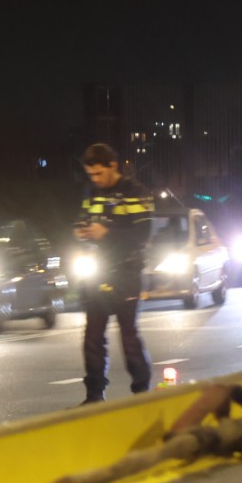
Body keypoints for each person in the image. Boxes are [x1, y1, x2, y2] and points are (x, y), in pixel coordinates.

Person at [74, 143, 153, 403]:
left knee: (129, 336)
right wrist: (82, 231)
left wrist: (107, 234)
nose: (95, 179)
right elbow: (84, 221)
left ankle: (141, 391)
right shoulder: (92, 194)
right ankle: (94, 394)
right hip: (98, 273)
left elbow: (142, 233)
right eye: (91, 175)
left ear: (113, 166)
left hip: (127, 273)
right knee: (93, 337)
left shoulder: (135, 192)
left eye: (99, 173)